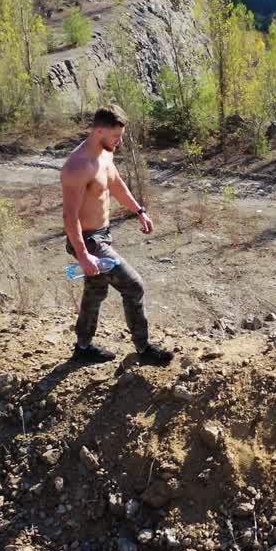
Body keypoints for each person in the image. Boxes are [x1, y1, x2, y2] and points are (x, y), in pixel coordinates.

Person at [60, 104, 173, 365]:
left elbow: (116, 184)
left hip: (103, 235)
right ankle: (144, 350)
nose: (119, 142)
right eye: (115, 136)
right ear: (99, 130)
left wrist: (139, 211)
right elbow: (70, 217)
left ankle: (83, 346)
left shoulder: (105, 153)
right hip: (89, 241)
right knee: (134, 286)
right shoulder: (77, 166)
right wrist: (84, 255)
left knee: (96, 290)